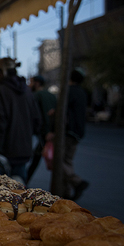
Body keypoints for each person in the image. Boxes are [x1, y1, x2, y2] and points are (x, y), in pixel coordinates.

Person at [0, 58, 42, 184]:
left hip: (4, 152)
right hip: (23, 150)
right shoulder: (27, 92)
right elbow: (37, 121)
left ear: (2, 72)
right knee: (19, 193)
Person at [58, 69, 89, 200]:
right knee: (67, 160)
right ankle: (65, 191)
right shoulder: (82, 92)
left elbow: (62, 110)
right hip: (78, 131)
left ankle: (76, 181)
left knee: (59, 160)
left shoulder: (69, 91)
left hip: (68, 131)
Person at [26, 75, 57, 183]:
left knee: (37, 157)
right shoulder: (52, 96)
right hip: (50, 132)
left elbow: (38, 115)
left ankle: (24, 181)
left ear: (37, 83)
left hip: (43, 132)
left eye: (31, 82)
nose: (29, 85)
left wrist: (46, 131)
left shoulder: (36, 95)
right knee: (39, 157)